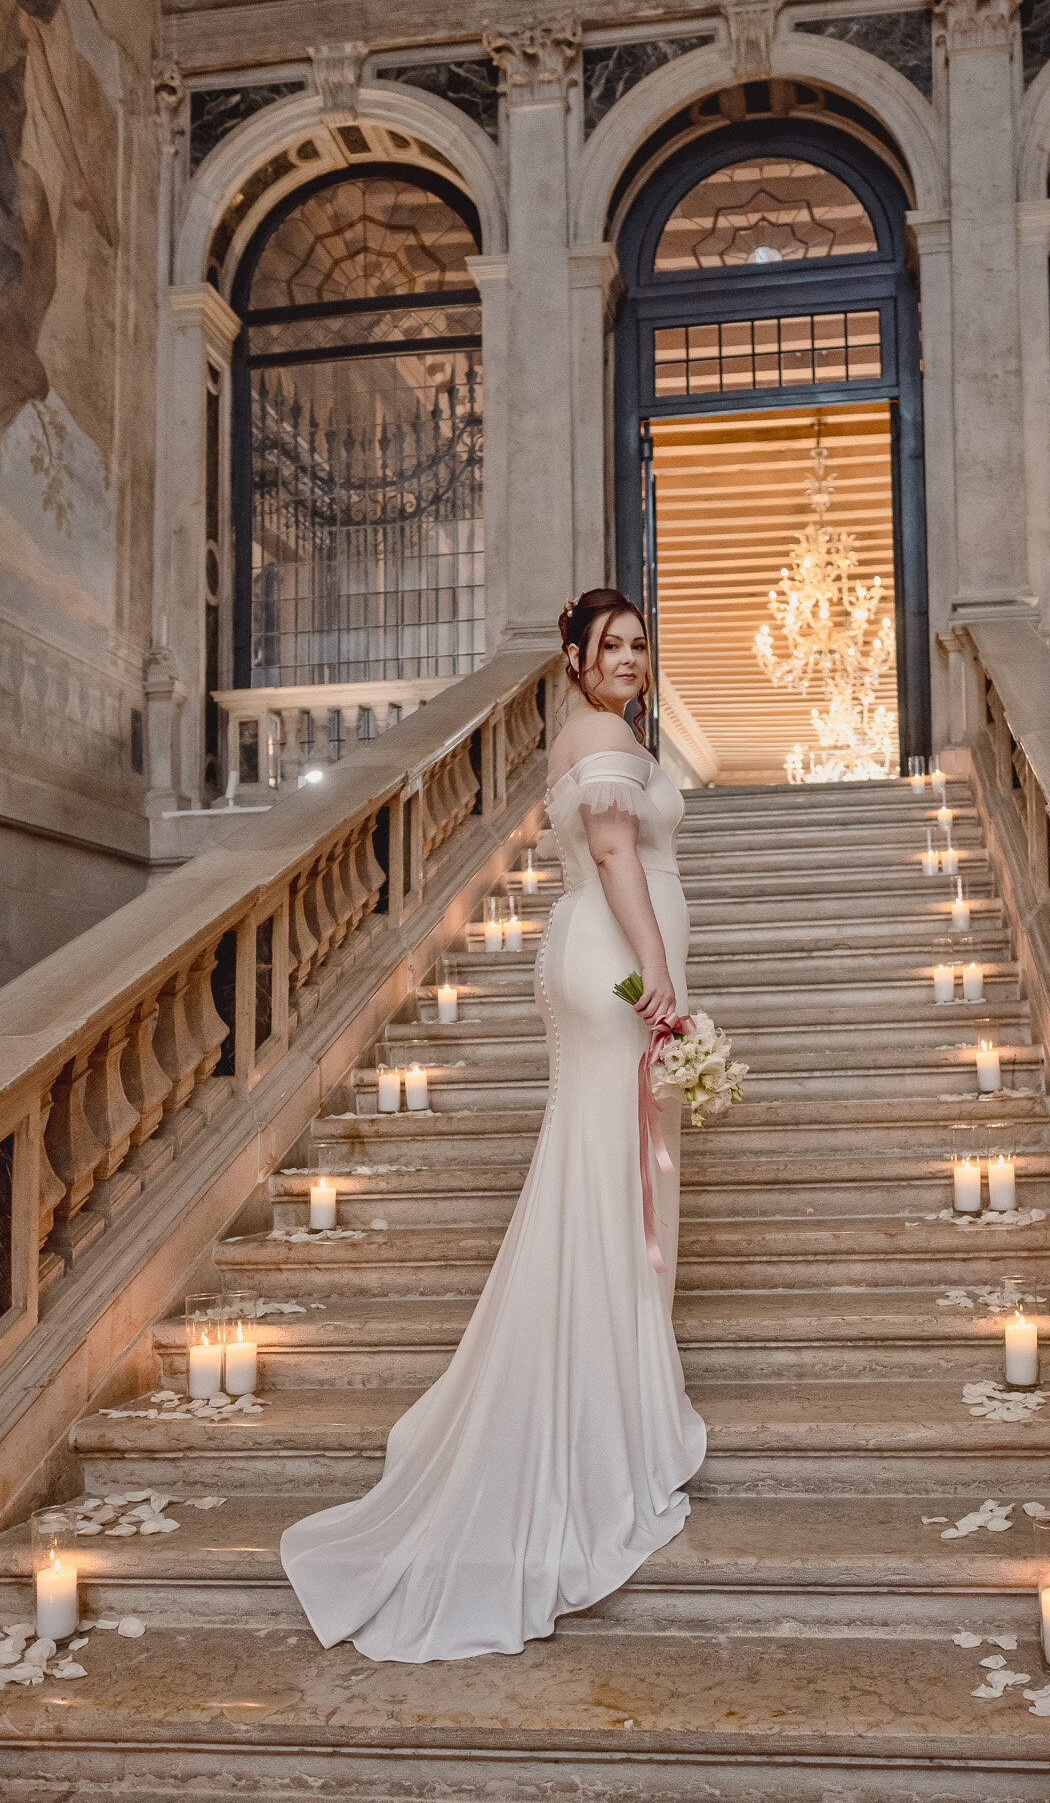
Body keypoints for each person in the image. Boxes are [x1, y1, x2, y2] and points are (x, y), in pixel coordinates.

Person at [279, 588, 706, 1661]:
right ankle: (604, 1423)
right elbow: (613, 856)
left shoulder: (605, 732)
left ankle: (617, 1393)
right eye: (611, 644)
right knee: (610, 1174)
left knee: (609, 1172)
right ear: (573, 656)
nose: (630, 659)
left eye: (640, 644)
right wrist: (658, 974)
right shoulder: (600, 734)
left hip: (605, 952)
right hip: (613, 955)